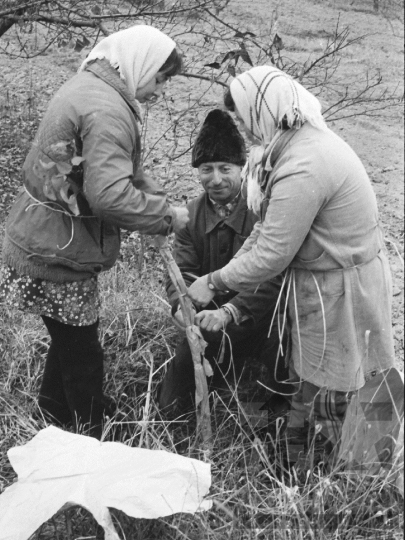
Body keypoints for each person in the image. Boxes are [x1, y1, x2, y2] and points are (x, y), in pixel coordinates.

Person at [187, 67, 395, 463]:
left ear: (264, 110)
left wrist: (214, 282)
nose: (247, 132)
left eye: (247, 120)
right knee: (334, 374)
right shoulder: (294, 147)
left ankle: (363, 471)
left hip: (344, 284)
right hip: (329, 280)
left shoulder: (305, 163)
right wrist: (227, 275)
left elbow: (273, 253)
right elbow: (265, 230)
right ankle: (326, 463)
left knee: (354, 375)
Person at [0, 25, 189, 440]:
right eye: (160, 78)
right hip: (58, 249)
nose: (159, 91)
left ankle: (49, 419)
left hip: (43, 235)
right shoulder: (108, 109)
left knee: (68, 337)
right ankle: (89, 439)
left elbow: (120, 168)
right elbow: (109, 196)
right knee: (83, 354)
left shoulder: (93, 85)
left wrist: (156, 199)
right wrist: (166, 217)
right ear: (141, 65)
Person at [158, 109, 294, 420]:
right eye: (207, 169)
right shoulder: (188, 216)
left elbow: (274, 276)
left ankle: (276, 426)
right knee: (171, 404)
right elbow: (179, 274)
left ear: (243, 167)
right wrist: (182, 307)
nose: (216, 179)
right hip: (208, 324)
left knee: (280, 384)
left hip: (262, 322)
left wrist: (230, 312)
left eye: (225, 168)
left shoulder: (262, 209)